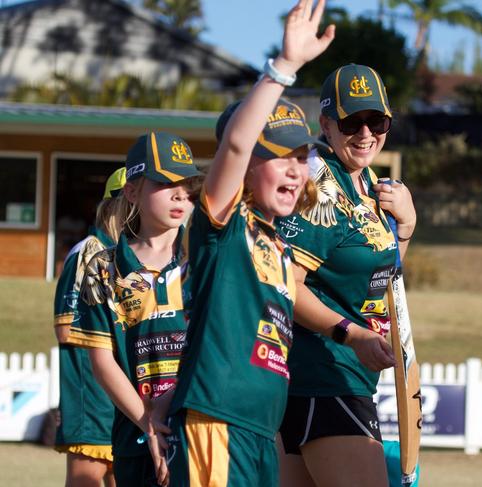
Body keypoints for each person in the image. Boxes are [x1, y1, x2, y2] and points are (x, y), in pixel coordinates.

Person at [162, 2, 335, 486]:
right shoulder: (224, 224)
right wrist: (285, 67)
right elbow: (237, 145)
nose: (295, 169)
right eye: (280, 156)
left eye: (302, 158)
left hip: (261, 431)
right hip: (218, 418)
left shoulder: (280, 248)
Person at [276, 63, 417, 487]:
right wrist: (352, 335)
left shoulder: (368, 183)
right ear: (326, 124)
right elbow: (286, 284)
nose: (365, 133)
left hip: (340, 377)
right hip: (323, 377)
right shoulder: (320, 184)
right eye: (351, 121)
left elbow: (378, 278)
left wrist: (406, 228)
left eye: (377, 121)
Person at [67, 131, 201, 487]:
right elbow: (102, 359)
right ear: (131, 190)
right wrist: (148, 422)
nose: (179, 194)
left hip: (203, 425)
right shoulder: (102, 265)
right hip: (136, 435)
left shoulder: (205, 257)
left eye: (187, 184)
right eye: (164, 182)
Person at [53, 167, 126, 487]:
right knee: (88, 478)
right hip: (94, 398)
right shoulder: (90, 251)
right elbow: (66, 328)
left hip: (124, 397)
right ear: (114, 206)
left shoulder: (134, 257)